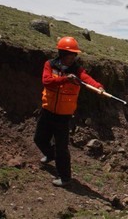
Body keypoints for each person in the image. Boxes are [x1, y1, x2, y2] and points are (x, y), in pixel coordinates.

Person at [34, 36, 105, 187]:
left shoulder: (77, 70)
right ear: (61, 54)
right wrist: (65, 79)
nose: (72, 58)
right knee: (39, 139)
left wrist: (98, 87)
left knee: (61, 147)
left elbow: (87, 78)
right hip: (47, 110)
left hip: (64, 115)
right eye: (69, 55)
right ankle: (49, 154)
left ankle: (65, 178)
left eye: (74, 55)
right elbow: (46, 81)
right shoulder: (50, 65)